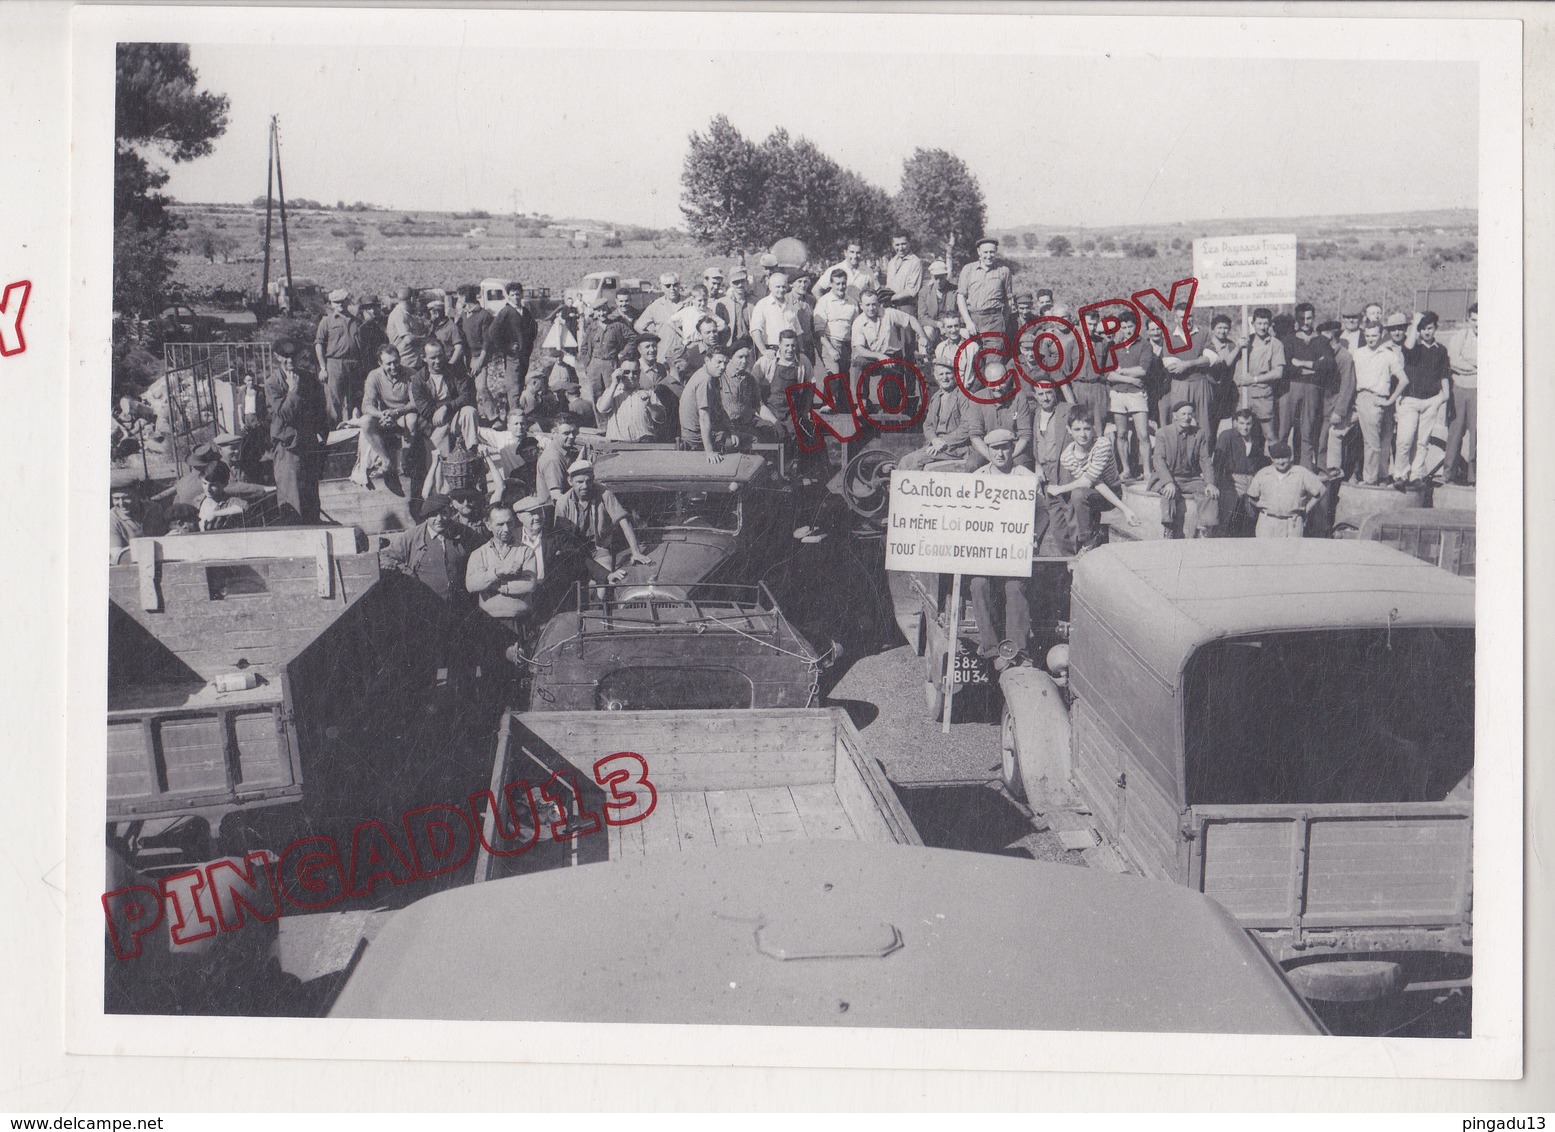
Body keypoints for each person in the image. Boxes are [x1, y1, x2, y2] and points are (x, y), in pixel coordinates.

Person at [968, 429, 1037, 669]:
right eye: (994, 448)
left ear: (1012, 448)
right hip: (986, 553)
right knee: (979, 584)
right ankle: (991, 649)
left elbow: (1042, 511)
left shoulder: (1025, 477)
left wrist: (1034, 535)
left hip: (1013, 552)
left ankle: (1018, 651)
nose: (1000, 453)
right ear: (987, 451)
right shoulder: (978, 477)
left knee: (1015, 587)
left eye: (1005, 447)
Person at [1047, 407, 1142, 550]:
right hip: (1092, 491)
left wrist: (1125, 509)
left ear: (1093, 428)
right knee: (1077, 495)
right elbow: (1093, 483)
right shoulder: (1067, 457)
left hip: (1112, 492)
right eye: (1077, 429)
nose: (1083, 434)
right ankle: (1084, 542)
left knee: (1078, 493)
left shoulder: (1102, 445)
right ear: (1069, 430)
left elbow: (1089, 481)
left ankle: (1087, 543)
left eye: (1086, 428)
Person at [465, 498, 547, 663]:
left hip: (520, 624)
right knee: (492, 675)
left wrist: (499, 587)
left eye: (509, 523)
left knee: (520, 673)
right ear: (488, 525)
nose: (506, 529)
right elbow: (472, 585)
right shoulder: (478, 554)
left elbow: (529, 584)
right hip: (489, 624)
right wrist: (498, 572)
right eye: (500, 524)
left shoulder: (525, 552)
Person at [552, 459, 653, 584]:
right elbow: (561, 538)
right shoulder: (562, 503)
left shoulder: (605, 494)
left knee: (602, 585)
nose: (585, 486)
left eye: (588, 481)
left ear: (593, 478)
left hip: (600, 548)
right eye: (579, 482)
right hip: (576, 552)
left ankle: (600, 602)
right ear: (570, 481)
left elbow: (623, 521)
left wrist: (636, 552)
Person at [269, 338, 330, 524]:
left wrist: (322, 437)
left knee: (311, 499)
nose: (290, 361)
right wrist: (293, 391)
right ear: (277, 357)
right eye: (285, 357)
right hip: (288, 449)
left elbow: (320, 409)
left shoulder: (309, 378)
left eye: (293, 356)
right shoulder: (273, 383)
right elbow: (284, 414)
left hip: (309, 445)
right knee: (292, 502)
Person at [411, 339, 481, 497]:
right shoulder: (418, 380)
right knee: (440, 450)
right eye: (433, 358)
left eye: (440, 356)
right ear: (424, 358)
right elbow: (425, 410)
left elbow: (466, 395)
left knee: (469, 411)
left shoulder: (455, 371)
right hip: (433, 424)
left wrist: (446, 407)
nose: (437, 361)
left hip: (453, 416)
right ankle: (444, 492)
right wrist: (443, 412)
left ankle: (472, 453)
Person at [1394, 311, 1452, 486]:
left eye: (1430, 328)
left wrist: (1445, 396)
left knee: (1422, 441)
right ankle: (1400, 475)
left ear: (1435, 328)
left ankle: (1416, 475)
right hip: (1410, 400)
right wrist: (1415, 322)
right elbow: (1408, 346)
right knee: (1405, 439)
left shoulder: (1441, 350)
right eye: (1423, 329)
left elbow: (1444, 373)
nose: (1427, 332)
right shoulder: (1413, 347)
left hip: (1430, 401)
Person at [1350, 321, 1409, 484]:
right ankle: (1370, 478)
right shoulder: (1357, 353)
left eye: (1374, 335)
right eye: (1367, 336)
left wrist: (1390, 400)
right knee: (1371, 443)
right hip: (1364, 397)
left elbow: (1404, 380)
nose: (1370, 339)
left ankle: (1379, 477)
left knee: (1382, 443)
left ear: (1382, 334)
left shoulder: (1388, 354)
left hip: (1382, 399)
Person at [1150, 401, 1220, 538]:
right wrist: (1168, 482)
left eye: (1190, 414)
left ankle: (1204, 530)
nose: (1187, 417)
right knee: (1169, 493)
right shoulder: (1163, 433)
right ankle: (1168, 528)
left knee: (1210, 493)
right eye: (1183, 414)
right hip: (1169, 477)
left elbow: (1205, 460)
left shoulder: (1199, 433)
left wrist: (1210, 483)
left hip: (1190, 479)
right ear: (1175, 416)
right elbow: (1158, 460)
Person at [355, 343, 417, 495]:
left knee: (412, 420)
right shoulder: (374, 376)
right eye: (388, 363)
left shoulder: (411, 374)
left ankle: (406, 459)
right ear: (380, 363)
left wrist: (396, 412)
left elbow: (415, 402)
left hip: (403, 413)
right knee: (365, 421)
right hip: (385, 416)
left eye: (396, 361)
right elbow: (367, 405)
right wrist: (381, 414)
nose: (393, 366)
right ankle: (386, 461)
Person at [850, 287, 924, 412]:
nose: (871, 308)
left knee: (891, 404)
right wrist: (880, 356)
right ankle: (862, 401)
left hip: (892, 357)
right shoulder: (858, 322)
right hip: (872, 358)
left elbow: (911, 319)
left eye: (874, 304)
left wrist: (922, 336)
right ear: (861, 305)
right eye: (867, 305)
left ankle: (891, 403)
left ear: (878, 304)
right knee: (859, 362)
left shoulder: (889, 313)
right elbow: (859, 349)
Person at [1279, 302, 1333, 470]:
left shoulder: (1322, 341)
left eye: (1309, 318)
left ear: (1314, 318)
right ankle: (1280, 466)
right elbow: (1287, 365)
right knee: (1284, 429)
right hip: (1291, 388)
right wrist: (1315, 365)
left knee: (1307, 431)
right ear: (1297, 319)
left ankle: (1305, 469)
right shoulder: (1289, 340)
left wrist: (1302, 364)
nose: (1305, 321)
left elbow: (1329, 365)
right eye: (1302, 318)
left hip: (1313, 389)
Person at [897, 360, 973, 471]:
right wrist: (934, 440)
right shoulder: (936, 397)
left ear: (955, 375)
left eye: (948, 373)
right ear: (936, 377)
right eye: (941, 374)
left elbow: (967, 427)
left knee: (914, 461)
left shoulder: (963, 396)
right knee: (905, 460)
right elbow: (928, 425)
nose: (945, 377)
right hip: (936, 445)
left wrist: (944, 442)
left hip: (956, 447)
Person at [1106, 309, 1153, 481]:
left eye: (1130, 326)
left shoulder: (1145, 345)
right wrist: (1130, 379)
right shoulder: (1113, 346)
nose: (1128, 330)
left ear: (1136, 326)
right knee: (1121, 434)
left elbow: (1142, 370)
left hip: (1137, 395)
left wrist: (1122, 372)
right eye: (1124, 327)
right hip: (1118, 394)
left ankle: (1147, 471)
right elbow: (1109, 375)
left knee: (1143, 435)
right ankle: (1126, 469)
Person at [1159, 307, 1221, 439]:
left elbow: (1211, 358)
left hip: (1201, 382)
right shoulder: (1170, 337)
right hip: (1180, 384)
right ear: (1176, 319)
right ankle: (1180, 458)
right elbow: (1172, 367)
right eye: (1182, 317)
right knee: (1180, 422)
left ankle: (1204, 457)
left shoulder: (1203, 334)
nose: (1186, 320)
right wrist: (1199, 360)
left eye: (1189, 316)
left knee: (1204, 424)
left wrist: (1187, 364)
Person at [480, 282, 538, 420]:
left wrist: (529, 343)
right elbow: (492, 332)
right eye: (512, 295)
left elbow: (533, 328)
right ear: (508, 296)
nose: (516, 297)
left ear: (521, 295)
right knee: (514, 387)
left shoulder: (525, 311)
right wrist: (507, 347)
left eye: (518, 294)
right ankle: (515, 419)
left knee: (520, 382)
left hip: (524, 355)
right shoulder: (506, 311)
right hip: (513, 356)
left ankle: (509, 416)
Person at [1246, 441, 1326, 537]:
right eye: (1277, 458)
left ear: (1290, 457)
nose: (1281, 461)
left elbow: (1321, 490)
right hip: (1267, 523)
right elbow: (1251, 496)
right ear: (1271, 458)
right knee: (1266, 551)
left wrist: (1307, 509)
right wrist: (1262, 506)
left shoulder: (1301, 473)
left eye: (1284, 457)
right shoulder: (1263, 474)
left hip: (1292, 524)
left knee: (1291, 551)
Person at [966, 358, 1033, 471]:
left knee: (1022, 466)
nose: (997, 387)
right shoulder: (977, 399)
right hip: (987, 450)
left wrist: (1009, 457)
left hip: (1012, 450)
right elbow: (975, 435)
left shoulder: (1019, 397)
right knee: (972, 464)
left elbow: (1025, 435)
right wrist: (992, 457)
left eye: (1001, 382)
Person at [1233, 307, 1286, 445]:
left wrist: (1254, 379)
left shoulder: (1276, 344)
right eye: (1259, 323)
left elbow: (1278, 372)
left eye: (1265, 324)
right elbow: (1228, 362)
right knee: (1240, 434)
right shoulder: (1246, 343)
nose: (1262, 327)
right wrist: (1238, 346)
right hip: (1244, 395)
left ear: (1270, 324)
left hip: (1263, 396)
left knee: (1269, 434)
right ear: (1253, 324)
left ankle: (1277, 464)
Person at [1213, 408, 1269, 536]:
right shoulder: (1227, 436)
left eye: (1248, 424)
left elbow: (1260, 462)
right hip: (1232, 479)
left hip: (1251, 479)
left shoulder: (1258, 438)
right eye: (1242, 423)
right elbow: (1218, 462)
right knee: (1229, 512)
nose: (1245, 427)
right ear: (1235, 423)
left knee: (1252, 514)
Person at [679, 343, 737, 461]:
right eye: (719, 362)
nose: (722, 367)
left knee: (736, 434)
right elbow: (704, 417)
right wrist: (710, 452)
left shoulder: (707, 374)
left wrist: (731, 429)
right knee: (744, 441)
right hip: (695, 438)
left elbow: (719, 408)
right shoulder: (705, 380)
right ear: (707, 360)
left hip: (697, 432)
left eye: (725, 363)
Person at [314, 288, 362, 424]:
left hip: (354, 363)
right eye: (336, 302)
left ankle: (353, 432)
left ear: (347, 301)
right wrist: (323, 367)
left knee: (355, 400)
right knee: (334, 401)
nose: (340, 305)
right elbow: (319, 344)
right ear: (331, 304)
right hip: (335, 364)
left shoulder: (356, 321)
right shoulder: (327, 321)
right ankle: (335, 433)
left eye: (342, 302)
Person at [1443, 303, 1478, 484]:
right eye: (1474, 320)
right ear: (1468, 320)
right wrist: (1475, 366)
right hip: (1460, 389)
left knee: (1477, 434)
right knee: (1455, 432)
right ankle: (1448, 474)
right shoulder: (1460, 337)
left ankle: (1474, 477)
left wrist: (1470, 362)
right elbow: (1454, 361)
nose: (1478, 324)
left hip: (1479, 390)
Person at [1318, 319, 1358, 475]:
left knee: (1325, 441)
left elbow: (1348, 385)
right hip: (1321, 405)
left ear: (1330, 335)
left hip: (1333, 407)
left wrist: (1339, 411)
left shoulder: (1344, 357)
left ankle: (1327, 473)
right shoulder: (1322, 353)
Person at [957, 237, 1015, 338]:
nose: (988, 256)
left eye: (992, 252)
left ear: (996, 251)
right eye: (985, 252)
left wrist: (1003, 322)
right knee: (971, 351)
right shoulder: (968, 269)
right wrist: (968, 322)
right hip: (972, 318)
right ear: (979, 252)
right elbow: (961, 296)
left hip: (994, 321)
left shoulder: (1004, 271)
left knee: (993, 353)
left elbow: (1008, 300)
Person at [596, 358, 665, 442]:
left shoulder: (648, 393)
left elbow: (661, 419)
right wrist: (614, 383)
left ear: (639, 373)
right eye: (626, 372)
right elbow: (602, 409)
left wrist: (650, 406)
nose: (631, 376)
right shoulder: (612, 392)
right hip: (618, 444)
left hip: (644, 445)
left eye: (635, 372)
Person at [812, 268, 859, 378]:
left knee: (843, 380)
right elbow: (819, 331)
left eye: (843, 283)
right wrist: (831, 349)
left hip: (847, 345)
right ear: (831, 284)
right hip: (830, 343)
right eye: (837, 284)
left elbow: (855, 327)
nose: (841, 287)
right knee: (834, 377)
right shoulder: (823, 302)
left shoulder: (852, 302)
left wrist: (855, 349)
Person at [750, 272, 799, 361]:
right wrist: (764, 351)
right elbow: (755, 331)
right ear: (770, 287)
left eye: (783, 287)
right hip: (772, 351)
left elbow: (798, 330)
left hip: (790, 351)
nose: (781, 290)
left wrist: (800, 351)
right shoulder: (762, 305)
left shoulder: (791, 304)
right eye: (778, 287)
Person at [1028, 384, 1071, 486]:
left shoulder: (1067, 410)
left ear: (1055, 392)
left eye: (1048, 393)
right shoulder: (1034, 414)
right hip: (1043, 472)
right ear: (1035, 396)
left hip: (1063, 470)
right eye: (1041, 394)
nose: (1045, 398)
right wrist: (1037, 465)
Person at [534, 416, 581, 504]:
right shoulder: (553, 459)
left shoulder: (562, 451)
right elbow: (556, 495)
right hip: (555, 511)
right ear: (553, 433)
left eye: (574, 432)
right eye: (566, 433)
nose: (571, 436)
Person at [812, 241, 878, 302]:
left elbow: (875, 292)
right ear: (845, 253)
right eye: (852, 252)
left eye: (858, 253)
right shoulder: (835, 269)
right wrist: (824, 305)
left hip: (859, 310)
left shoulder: (868, 271)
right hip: (839, 310)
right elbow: (816, 290)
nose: (855, 256)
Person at [195, 460, 250, 531]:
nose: (208, 489)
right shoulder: (199, 500)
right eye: (205, 484)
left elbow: (244, 507)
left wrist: (215, 514)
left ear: (224, 484)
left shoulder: (229, 502)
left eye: (213, 485)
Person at [916, 260, 957, 352]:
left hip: (952, 325)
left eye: (941, 278)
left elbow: (960, 313)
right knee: (926, 332)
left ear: (946, 276)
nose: (938, 281)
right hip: (933, 326)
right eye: (936, 278)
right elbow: (922, 317)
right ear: (932, 277)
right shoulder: (925, 292)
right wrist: (937, 324)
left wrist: (947, 324)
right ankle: (925, 362)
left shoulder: (954, 290)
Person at [635, 273, 685, 345]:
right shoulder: (655, 306)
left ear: (679, 285)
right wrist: (654, 339)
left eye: (675, 285)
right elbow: (638, 327)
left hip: (686, 352)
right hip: (664, 351)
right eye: (668, 286)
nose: (672, 288)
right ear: (662, 287)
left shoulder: (688, 302)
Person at [386, 286, 427, 367]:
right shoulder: (400, 315)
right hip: (407, 363)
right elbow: (408, 339)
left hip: (411, 361)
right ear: (412, 299)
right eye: (415, 299)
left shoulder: (404, 314)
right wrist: (425, 339)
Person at [884, 235, 924, 312]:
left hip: (907, 306)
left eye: (903, 244)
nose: (901, 248)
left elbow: (912, 290)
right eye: (897, 245)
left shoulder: (915, 262)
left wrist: (891, 298)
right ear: (893, 245)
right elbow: (889, 285)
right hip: (890, 306)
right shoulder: (892, 262)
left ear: (909, 243)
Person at [719, 270, 754, 345]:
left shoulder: (754, 302)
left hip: (750, 343)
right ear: (730, 284)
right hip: (731, 344)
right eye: (736, 282)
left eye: (742, 281)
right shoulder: (723, 303)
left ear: (747, 282)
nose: (740, 285)